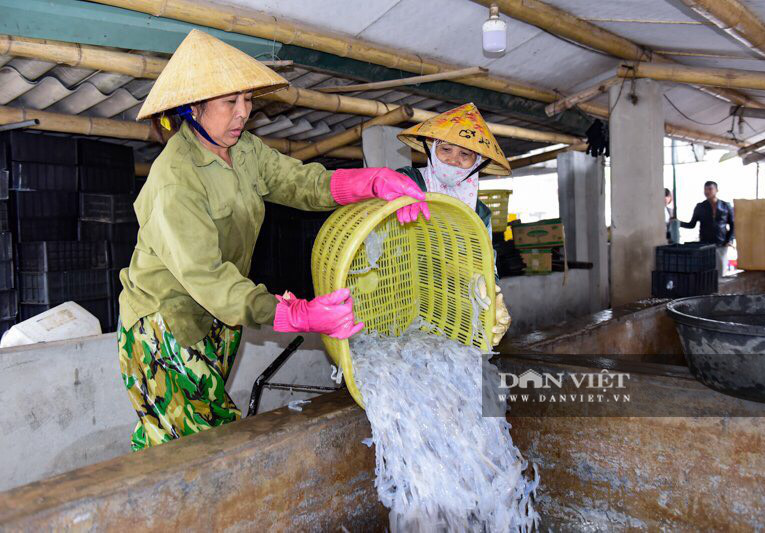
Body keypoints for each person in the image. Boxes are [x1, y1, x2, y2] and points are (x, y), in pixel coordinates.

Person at [117, 30, 429, 450]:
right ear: (193, 108)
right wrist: (297, 314)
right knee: (209, 446)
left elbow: (300, 182)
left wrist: (371, 181)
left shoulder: (245, 150)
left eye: (248, 100)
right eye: (231, 102)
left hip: (218, 321)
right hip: (165, 326)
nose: (243, 112)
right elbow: (207, 277)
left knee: (169, 440)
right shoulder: (175, 179)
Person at [394, 103, 512, 346]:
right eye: (445, 149)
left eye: (465, 155)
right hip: (402, 287)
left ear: (477, 162)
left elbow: (486, 260)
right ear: (431, 149)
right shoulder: (407, 181)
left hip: (451, 299)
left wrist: (492, 291)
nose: (454, 160)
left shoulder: (480, 213)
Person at [679, 180, 734, 277]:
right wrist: (678, 223)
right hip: (705, 245)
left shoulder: (726, 206)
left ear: (717, 190)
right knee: (707, 272)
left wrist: (729, 240)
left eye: (710, 189)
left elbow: (733, 225)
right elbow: (691, 224)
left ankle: (720, 292)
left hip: (721, 244)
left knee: (721, 272)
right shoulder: (700, 206)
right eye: (705, 189)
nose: (707, 191)